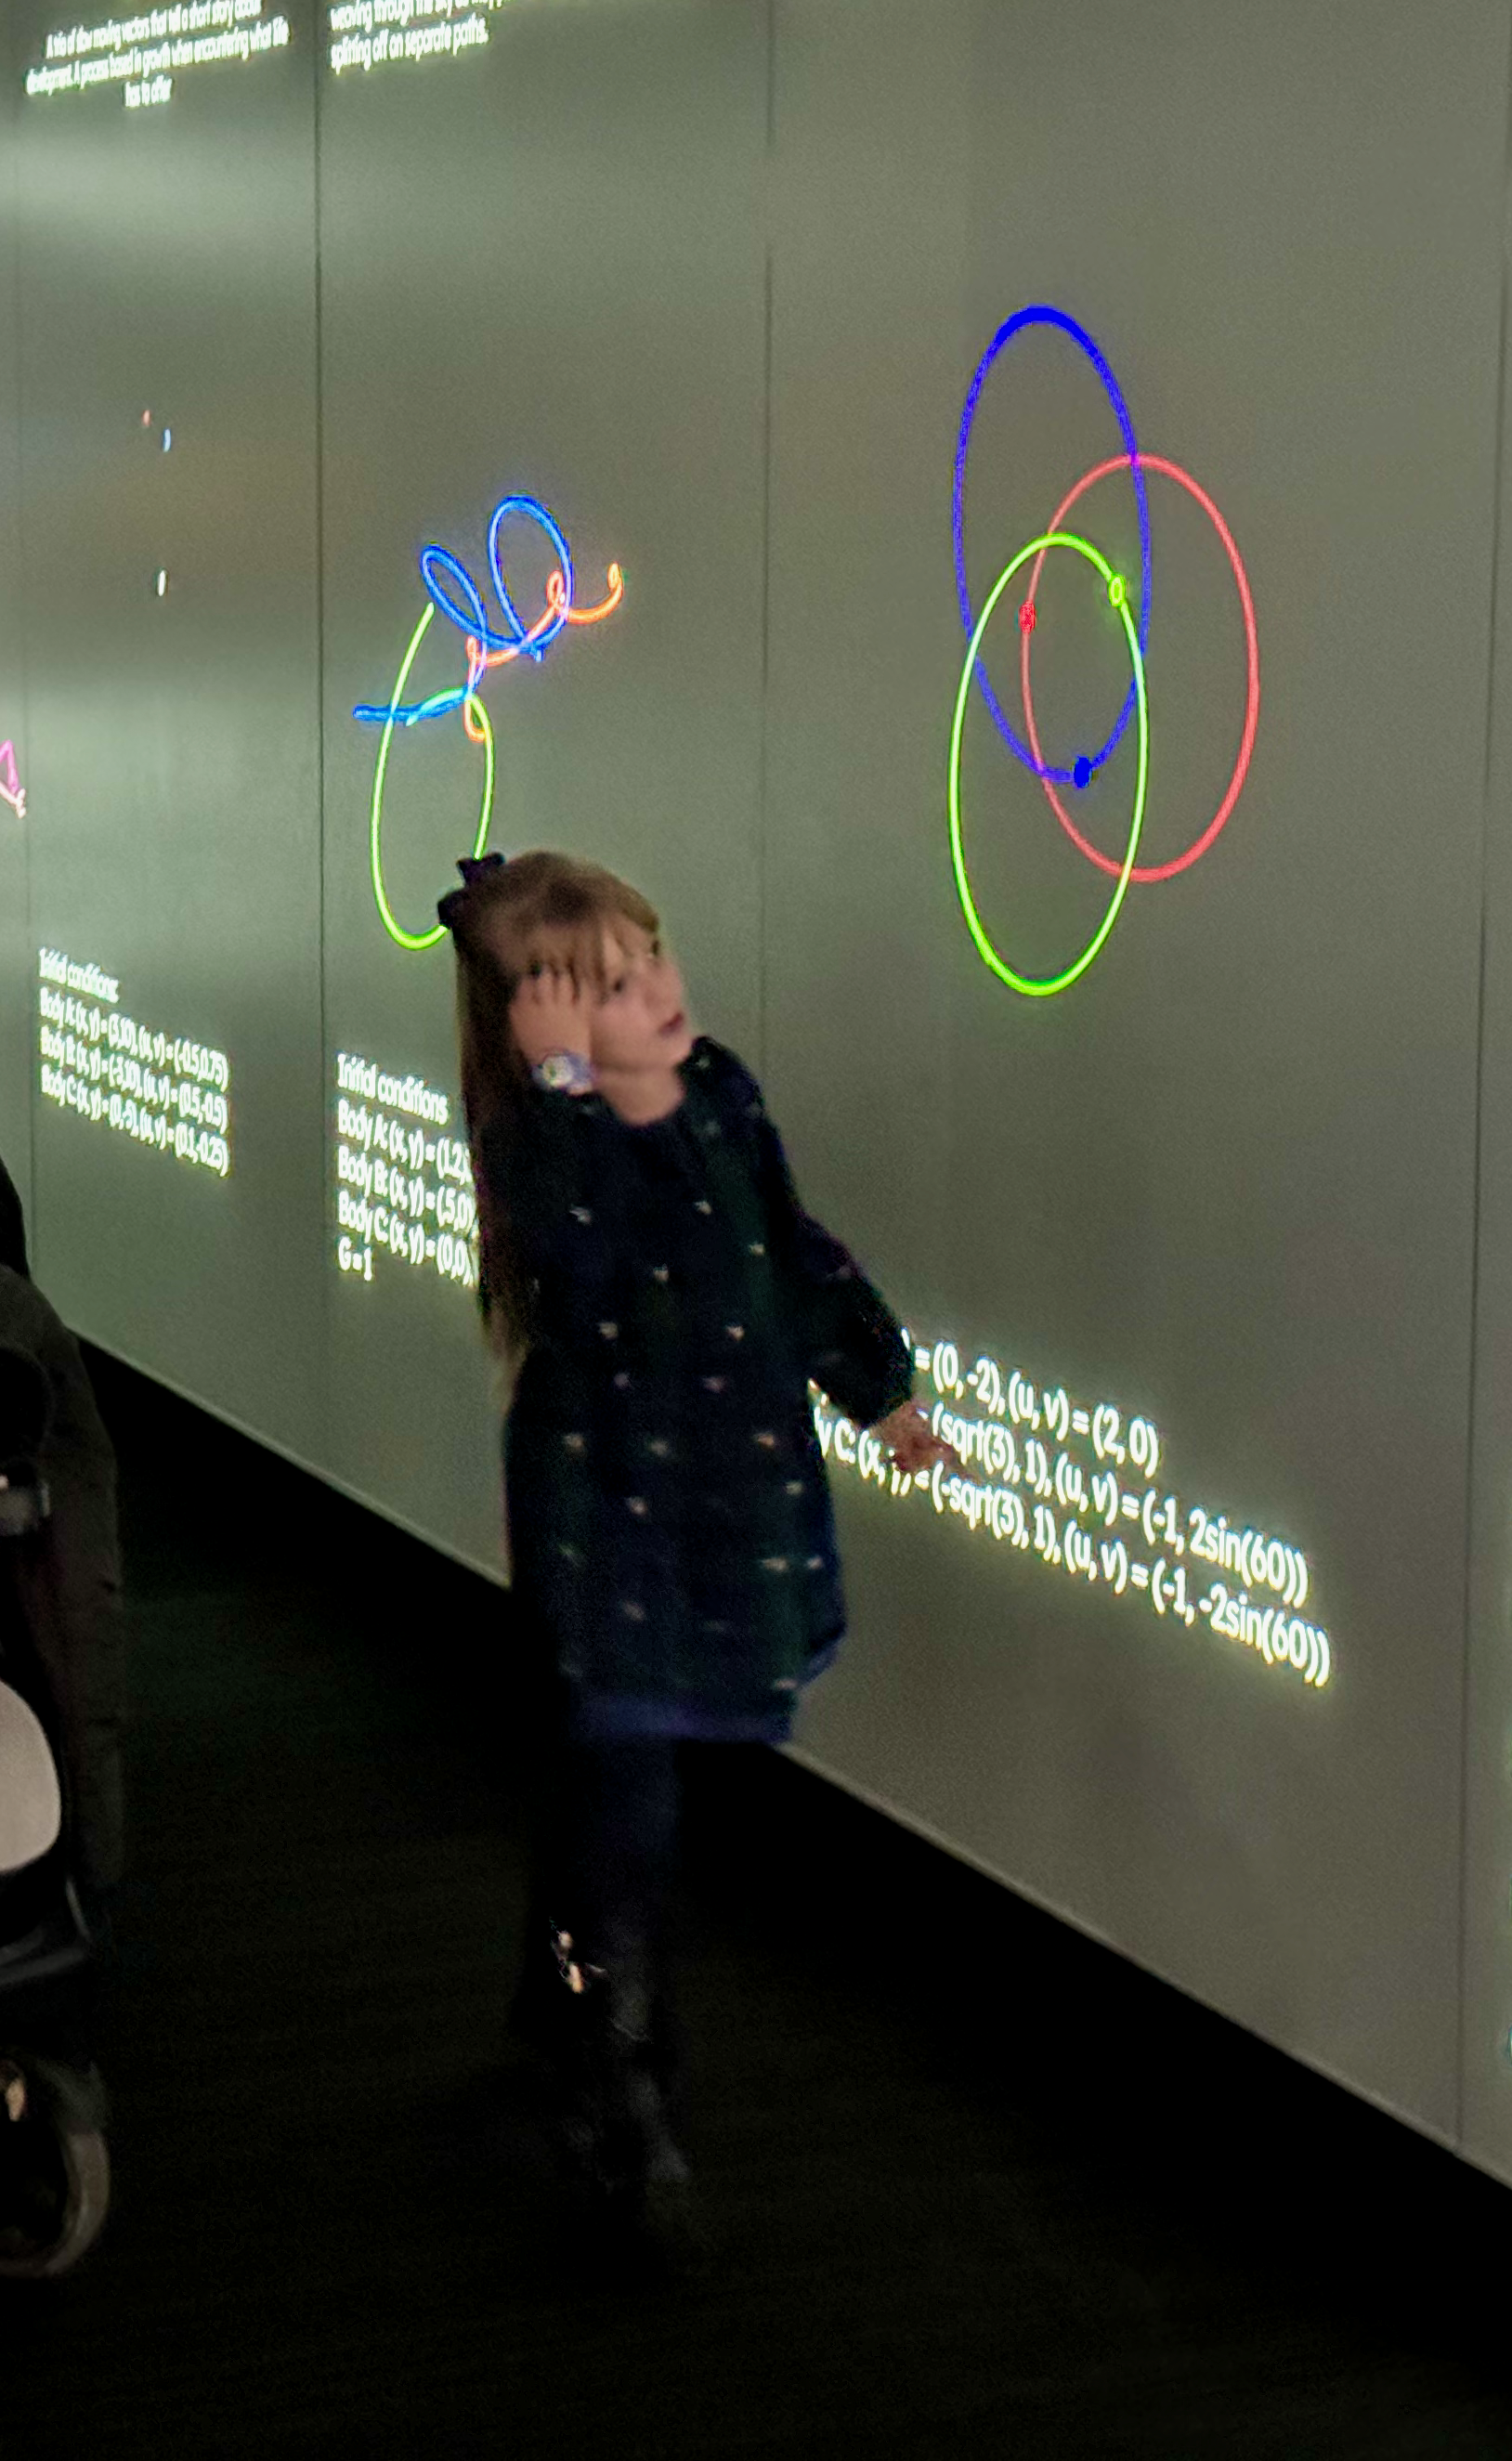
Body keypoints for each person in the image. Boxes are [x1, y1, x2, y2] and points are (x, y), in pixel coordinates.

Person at [436, 848, 964, 2252]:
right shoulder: (551, 1145)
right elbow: (589, 1267)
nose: (658, 993)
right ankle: (621, 2071)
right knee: (631, 1798)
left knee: (636, 1790)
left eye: (652, 959)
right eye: (608, 988)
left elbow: (782, 1251)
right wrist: (561, 1092)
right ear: (539, 1028)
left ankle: (571, 1993)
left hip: (725, 1512)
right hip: (609, 1522)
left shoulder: (720, 1093)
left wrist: (880, 1383)